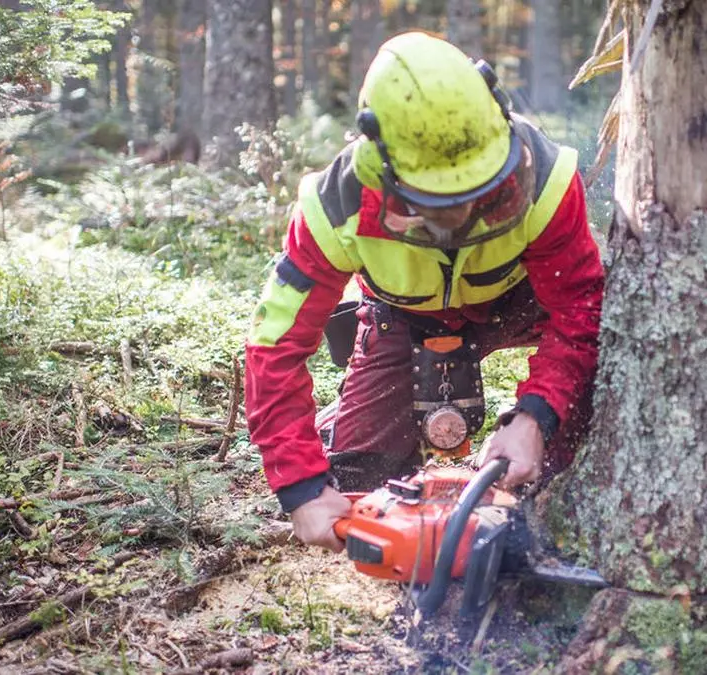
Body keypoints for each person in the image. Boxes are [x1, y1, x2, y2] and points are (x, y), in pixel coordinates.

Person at [243, 31, 604, 552]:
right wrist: (301, 487)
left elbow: (579, 308)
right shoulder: (334, 207)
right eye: (442, 202)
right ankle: (339, 425)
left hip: (523, 301)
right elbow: (275, 346)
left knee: (568, 452)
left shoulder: (545, 179)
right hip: (402, 316)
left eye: (478, 192)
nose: (465, 212)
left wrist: (536, 416)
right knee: (361, 480)